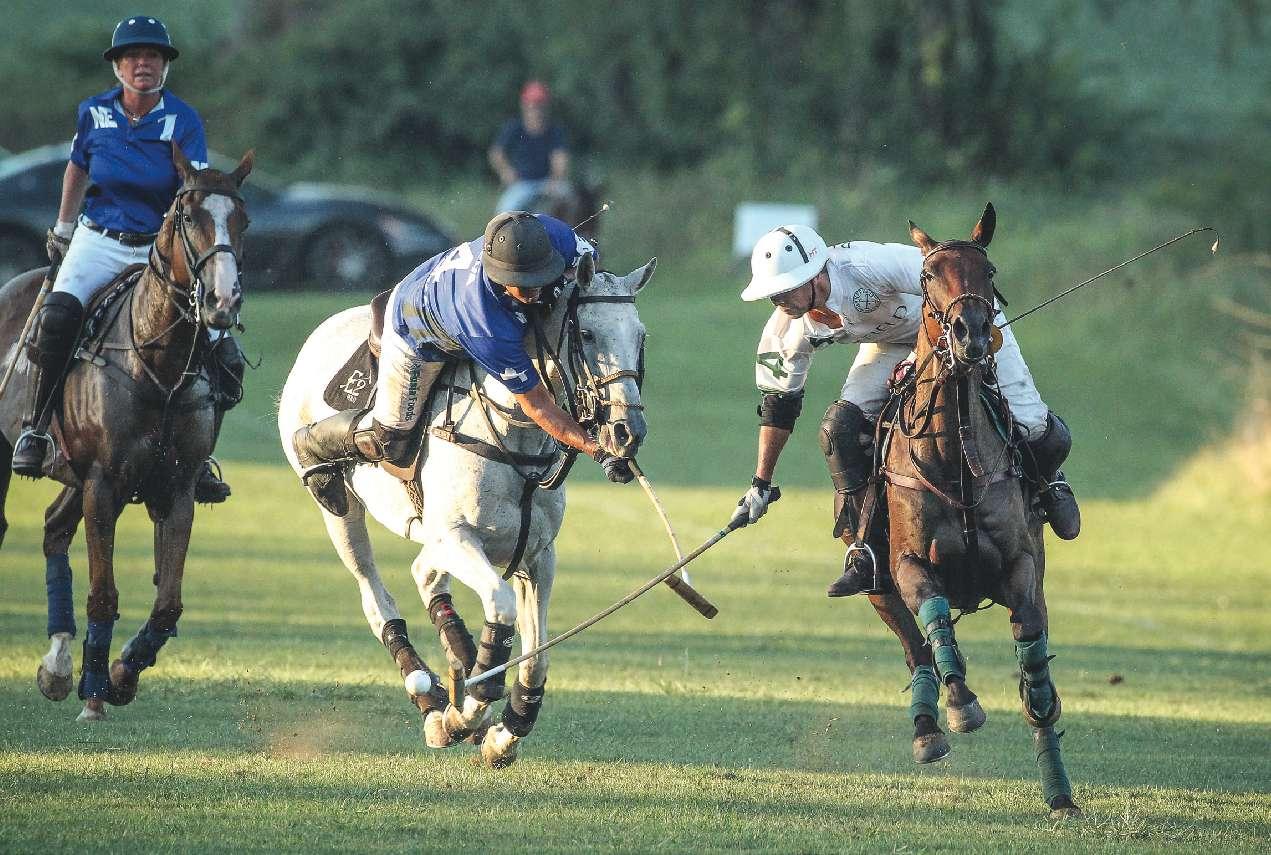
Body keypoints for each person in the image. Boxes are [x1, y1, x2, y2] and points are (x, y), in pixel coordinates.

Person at [729, 225, 1081, 597]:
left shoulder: (868, 265)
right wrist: (760, 485)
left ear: (816, 275)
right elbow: (778, 408)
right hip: (888, 345)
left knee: (1033, 423)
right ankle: (865, 549)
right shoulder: (785, 330)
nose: (779, 300)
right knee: (839, 430)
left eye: (786, 289)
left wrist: (936, 352)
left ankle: (1049, 483)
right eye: (773, 293)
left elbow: (951, 276)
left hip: (960, 326)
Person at [11, 14, 240, 502]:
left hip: (159, 247)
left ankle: (200, 459)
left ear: (164, 67)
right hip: (99, 240)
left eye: (153, 56)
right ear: (117, 67)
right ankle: (36, 429)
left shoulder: (183, 119)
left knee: (222, 349)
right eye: (133, 56)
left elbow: (196, 189)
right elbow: (77, 168)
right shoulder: (94, 113)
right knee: (56, 318)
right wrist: (64, 227)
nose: (143, 64)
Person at [293, 211, 630, 517]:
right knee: (391, 438)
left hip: (449, 285)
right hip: (417, 326)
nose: (533, 292)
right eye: (522, 285)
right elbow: (537, 404)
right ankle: (313, 444)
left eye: (539, 278)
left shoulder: (556, 237)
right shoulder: (486, 324)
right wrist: (597, 450)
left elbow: (590, 271)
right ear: (499, 276)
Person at [489, 80, 570, 214]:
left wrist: (555, 179)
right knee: (504, 212)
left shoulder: (554, 131)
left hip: (547, 183)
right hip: (522, 184)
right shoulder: (514, 128)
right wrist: (506, 171)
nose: (537, 110)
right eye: (533, 105)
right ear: (525, 106)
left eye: (540, 105)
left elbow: (560, 158)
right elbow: (496, 153)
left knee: (571, 203)